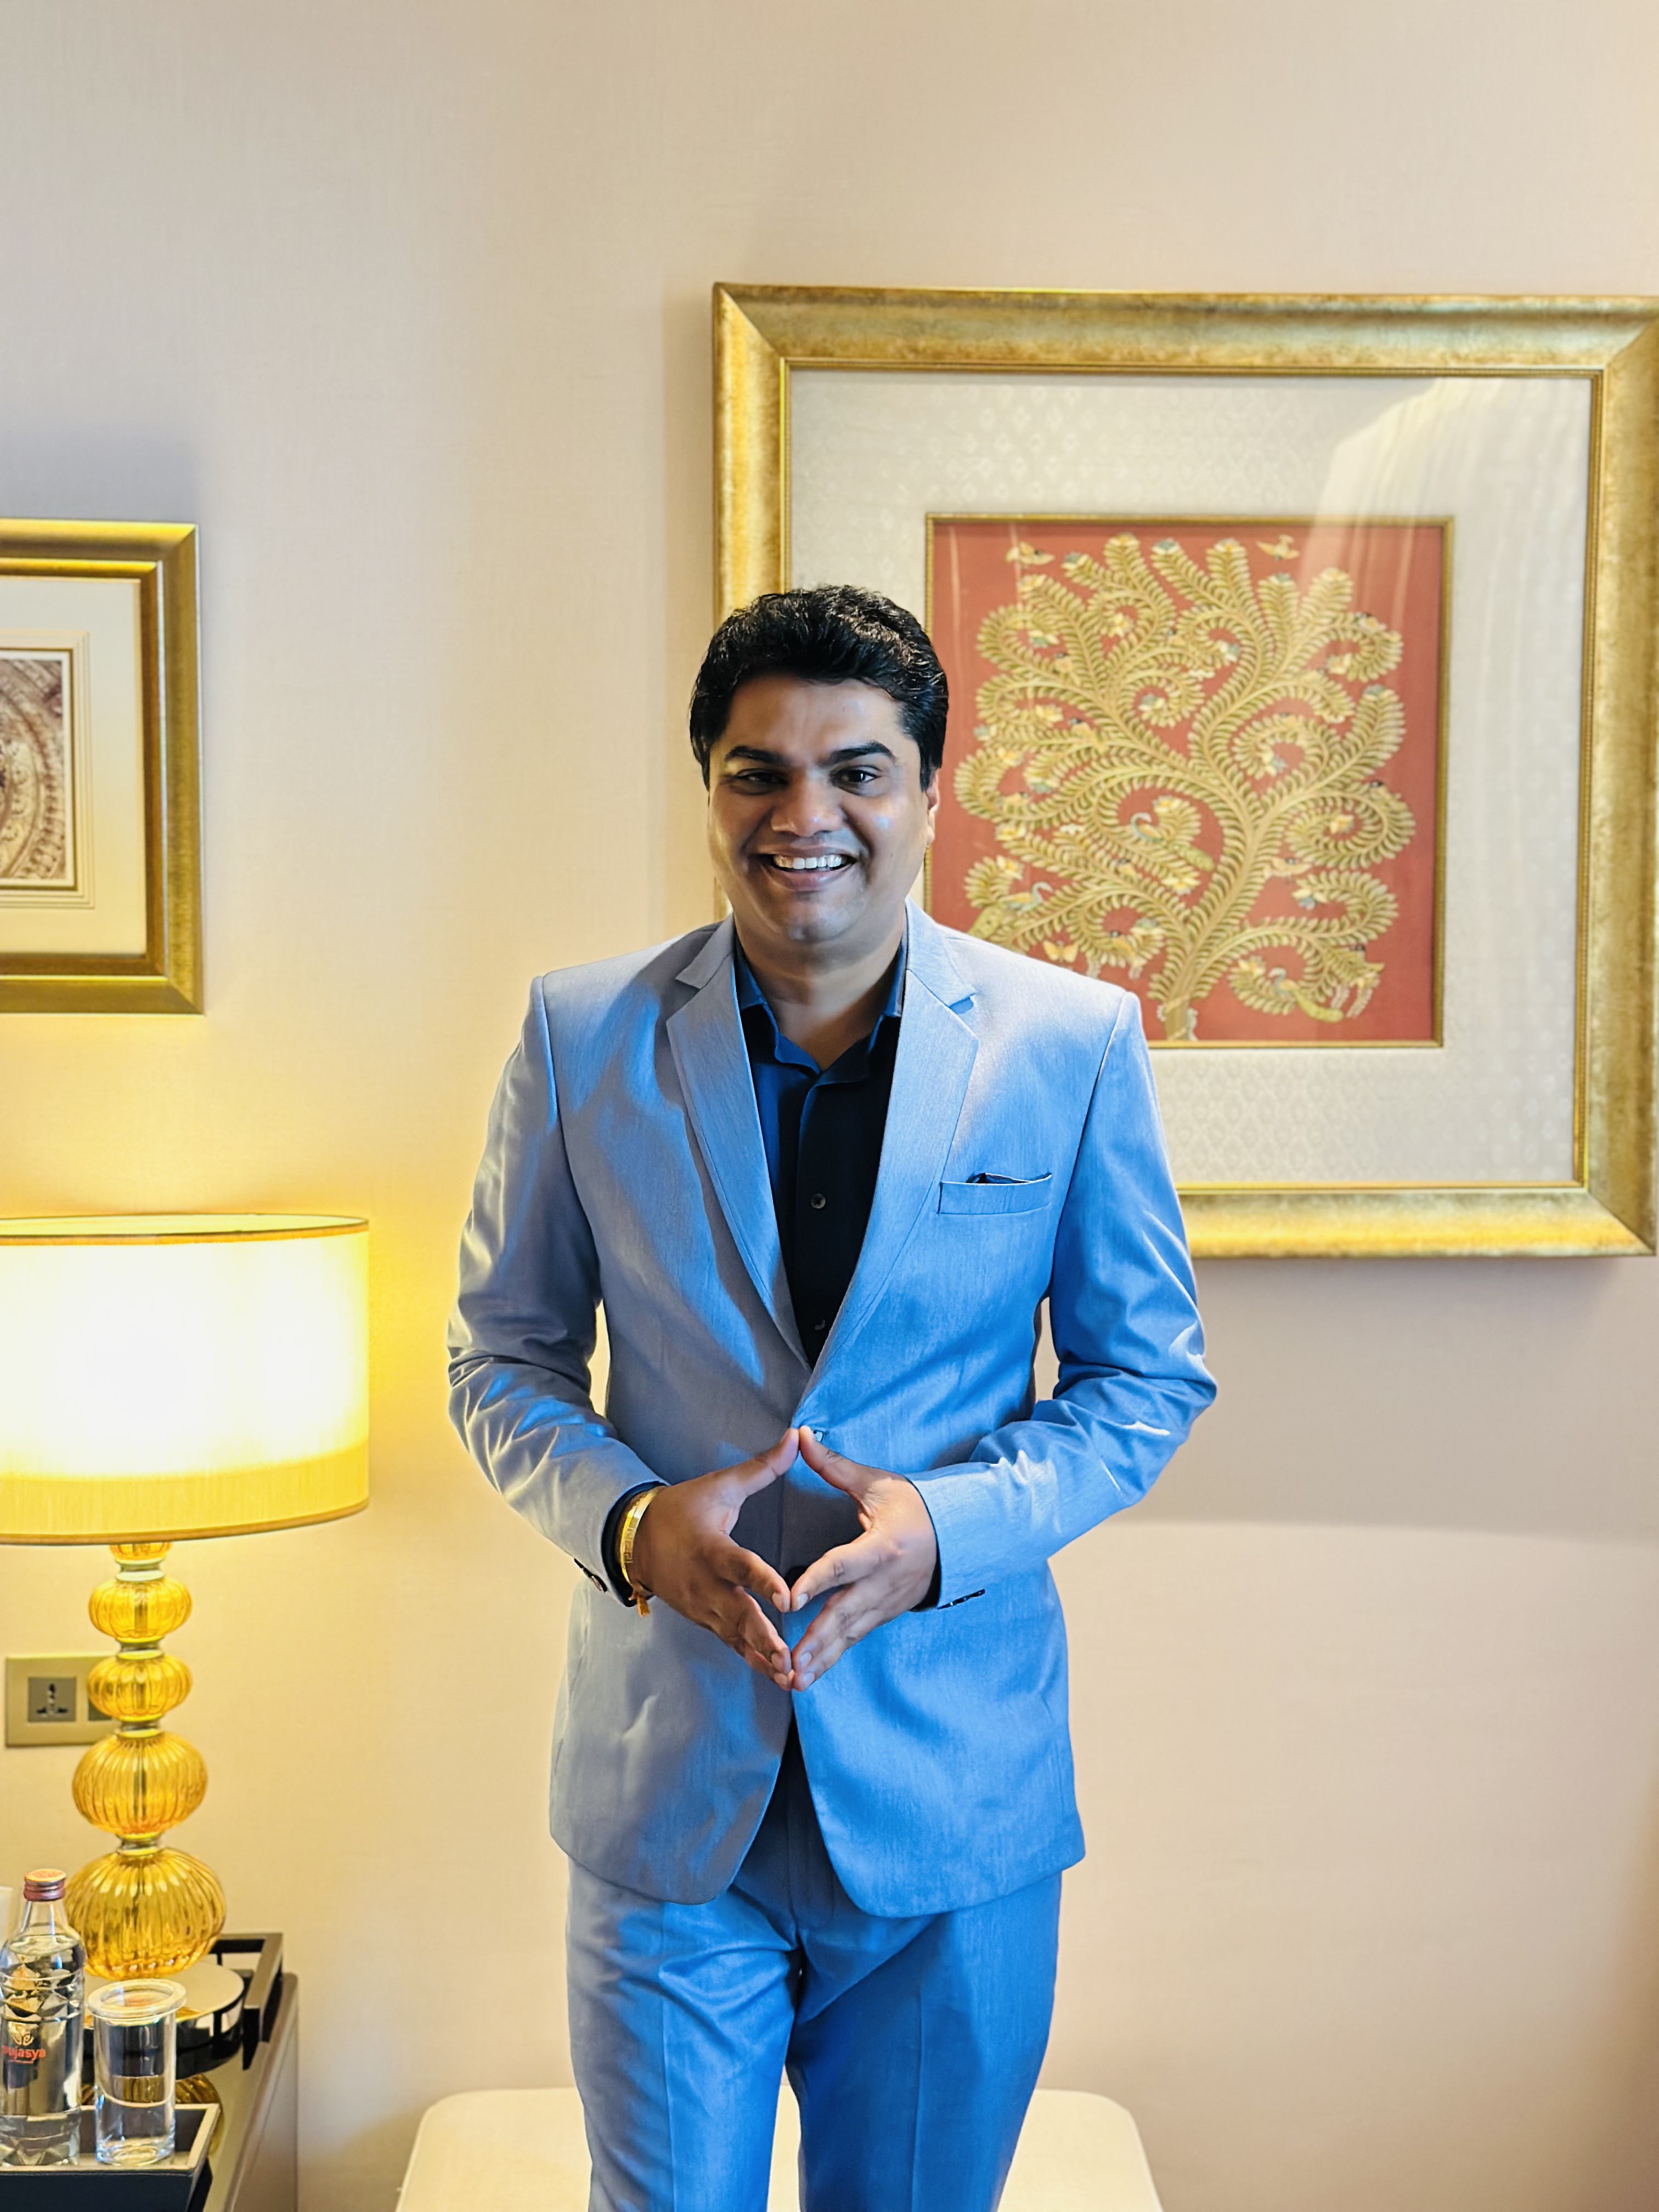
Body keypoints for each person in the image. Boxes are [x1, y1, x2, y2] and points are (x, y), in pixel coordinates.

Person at [448, 584, 1214, 2212]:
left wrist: (945, 1529)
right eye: (759, 772)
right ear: (708, 790)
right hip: (670, 1796)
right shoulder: (580, 1036)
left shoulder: (1070, 1043)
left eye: (857, 770)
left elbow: (1147, 1375)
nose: (806, 816)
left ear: (931, 791)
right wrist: (632, 1526)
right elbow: (500, 1358)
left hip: (955, 1800)